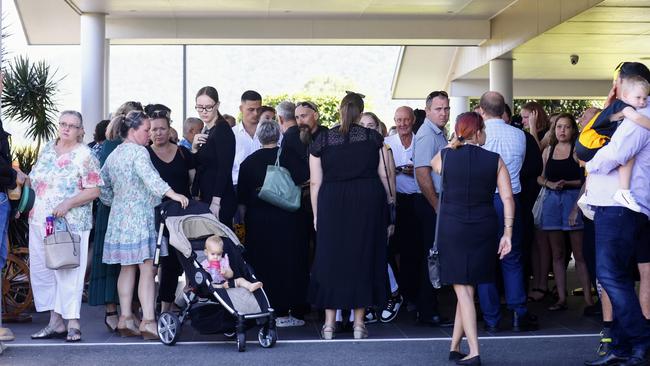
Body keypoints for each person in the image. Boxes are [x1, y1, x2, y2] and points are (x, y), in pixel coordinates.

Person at [432, 111, 513, 366]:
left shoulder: (446, 156)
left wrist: (453, 141)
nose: (485, 135)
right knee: (467, 287)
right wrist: (508, 233)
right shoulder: (495, 160)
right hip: (483, 227)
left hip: (452, 226)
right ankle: (455, 346)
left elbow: (433, 164)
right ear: (477, 132)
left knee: (463, 290)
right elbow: (508, 199)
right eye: (483, 130)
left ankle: (475, 351)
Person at [309, 92, 391, 340]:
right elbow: (385, 176)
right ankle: (358, 324)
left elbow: (314, 182)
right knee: (362, 258)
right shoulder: (373, 137)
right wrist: (390, 204)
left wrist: (316, 215)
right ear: (361, 112)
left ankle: (329, 325)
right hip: (367, 200)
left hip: (332, 201)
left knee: (330, 260)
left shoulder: (322, 140)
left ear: (340, 111)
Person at [101, 110, 189, 340]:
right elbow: (152, 179)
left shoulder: (115, 153)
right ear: (133, 130)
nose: (150, 134)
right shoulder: (139, 153)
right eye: (146, 130)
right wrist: (173, 194)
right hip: (140, 217)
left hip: (120, 218)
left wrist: (118, 201)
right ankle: (148, 321)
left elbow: (101, 186)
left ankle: (125, 318)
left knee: (126, 268)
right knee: (147, 270)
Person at [582, 74, 650, 366]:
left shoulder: (639, 117)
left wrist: (592, 163)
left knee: (609, 275)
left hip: (620, 207)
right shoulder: (629, 114)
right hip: (615, 206)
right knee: (616, 276)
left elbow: (614, 155)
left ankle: (641, 339)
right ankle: (623, 347)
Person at [29, 111, 103, 343]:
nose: (66, 128)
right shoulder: (47, 149)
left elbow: (94, 190)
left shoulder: (85, 155)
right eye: (63, 124)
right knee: (44, 270)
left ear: (81, 130)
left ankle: (73, 322)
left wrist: (68, 202)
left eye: (72, 125)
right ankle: (55, 322)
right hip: (40, 219)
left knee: (69, 271)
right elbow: (34, 179)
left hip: (71, 221)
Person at [237, 120, 308, 327]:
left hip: (259, 222)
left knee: (263, 264)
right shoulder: (289, 156)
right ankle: (293, 310)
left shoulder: (248, 163)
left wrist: (242, 224)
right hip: (290, 220)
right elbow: (306, 177)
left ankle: (267, 308)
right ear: (279, 136)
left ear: (258, 137)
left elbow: (242, 200)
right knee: (291, 263)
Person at [477, 91, 538, 332]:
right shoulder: (520, 136)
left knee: (485, 261)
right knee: (512, 259)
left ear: (481, 110)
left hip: (484, 202)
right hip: (512, 200)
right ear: (504, 109)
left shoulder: (478, 136)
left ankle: (491, 318)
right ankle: (518, 313)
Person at [87, 101, 143, 333]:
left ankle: (129, 311)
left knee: (132, 264)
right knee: (110, 263)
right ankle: (112, 312)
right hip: (111, 212)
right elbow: (103, 183)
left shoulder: (136, 147)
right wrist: (114, 203)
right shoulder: (112, 146)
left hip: (129, 211)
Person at [537, 113, 592, 311]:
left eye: (566, 127)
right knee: (557, 253)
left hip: (572, 200)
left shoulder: (578, 151)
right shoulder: (549, 150)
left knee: (579, 254)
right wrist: (549, 183)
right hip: (552, 202)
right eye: (559, 126)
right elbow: (540, 177)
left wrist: (569, 189)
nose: (562, 130)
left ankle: (588, 299)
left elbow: (586, 180)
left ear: (572, 130)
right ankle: (561, 297)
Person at [577, 74, 650, 213]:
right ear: (626, 95)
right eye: (638, 97)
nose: (642, 102)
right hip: (591, 144)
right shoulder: (625, 106)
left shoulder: (613, 106)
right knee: (627, 153)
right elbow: (637, 118)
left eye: (645, 98)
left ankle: (588, 194)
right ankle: (623, 191)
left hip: (589, 143)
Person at [146, 108, 195, 313]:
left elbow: (193, 181)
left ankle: (167, 307)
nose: (158, 133)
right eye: (154, 129)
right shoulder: (145, 154)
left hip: (179, 214)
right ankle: (148, 305)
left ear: (169, 130)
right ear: (148, 132)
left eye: (162, 129)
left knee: (174, 262)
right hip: (153, 214)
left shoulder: (182, 152)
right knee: (154, 263)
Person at [411, 91, 452, 327]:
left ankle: (427, 308)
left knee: (432, 257)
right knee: (431, 258)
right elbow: (422, 173)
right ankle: (427, 311)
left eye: (446, 108)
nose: (443, 113)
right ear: (427, 111)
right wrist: (436, 205)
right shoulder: (427, 134)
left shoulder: (439, 132)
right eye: (438, 109)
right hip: (429, 203)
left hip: (433, 202)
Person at [359, 111, 400, 323]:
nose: (367, 128)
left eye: (371, 125)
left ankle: (394, 293)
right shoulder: (356, 148)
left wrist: (391, 212)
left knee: (379, 254)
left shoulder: (383, 148)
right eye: (363, 124)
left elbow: (390, 181)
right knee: (366, 256)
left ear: (378, 128)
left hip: (380, 207)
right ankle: (370, 302)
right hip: (362, 208)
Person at [383, 106, 419, 323]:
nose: (403, 123)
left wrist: (416, 170)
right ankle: (397, 292)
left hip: (416, 198)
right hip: (396, 200)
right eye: (399, 120)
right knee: (392, 249)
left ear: (413, 120)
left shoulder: (421, 140)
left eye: (406, 120)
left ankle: (411, 294)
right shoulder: (388, 142)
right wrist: (394, 170)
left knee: (413, 250)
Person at [191, 86, 237, 226]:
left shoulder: (222, 130)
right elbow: (199, 164)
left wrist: (216, 202)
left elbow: (224, 168)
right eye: (199, 107)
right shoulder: (208, 129)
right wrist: (194, 148)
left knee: (219, 244)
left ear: (217, 105)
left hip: (219, 198)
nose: (203, 111)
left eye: (208, 107)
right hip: (207, 195)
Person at [232, 90, 263, 187]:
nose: (255, 113)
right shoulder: (231, 134)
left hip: (265, 188)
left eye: (258, 109)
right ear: (241, 108)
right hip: (237, 187)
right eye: (251, 109)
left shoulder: (272, 132)